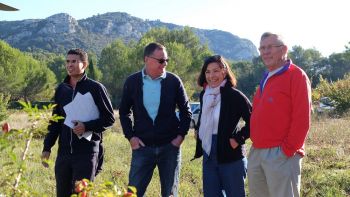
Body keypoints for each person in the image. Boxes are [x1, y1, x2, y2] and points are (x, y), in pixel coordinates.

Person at [119, 42, 192, 197]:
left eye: (166, 60)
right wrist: (131, 137)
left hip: (170, 148)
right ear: (147, 59)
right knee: (133, 193)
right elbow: (124, 112)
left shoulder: (174, 81)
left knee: (170, 194)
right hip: (142, 148)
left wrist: (180, 137)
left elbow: (186, 111)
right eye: (160, 60)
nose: (164, 64)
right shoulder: (132, 82)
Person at [41, 48, 115, 197]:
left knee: (81, 195)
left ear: (85, 64)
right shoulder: (61, 90)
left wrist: (86, 126)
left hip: (86, 154)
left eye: (74, 61)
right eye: (67, 61)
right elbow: (55, 121)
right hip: (64, 154)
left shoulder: (96, 88)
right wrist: (47, 147)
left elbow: (109, 119)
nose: (70, 65)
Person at [248, 32, 312, 197]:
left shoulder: (296, 75)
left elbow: (302, 119)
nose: (265, 52)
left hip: (281, 154)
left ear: (284, 49)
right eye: (262, 48)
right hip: (257, 152)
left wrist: (287, 150)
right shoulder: (266, 77)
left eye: (270, 47)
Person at [192, 55, 252, 197]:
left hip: (230, 154)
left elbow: (254, 121)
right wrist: (198, 130)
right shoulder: (204, 95)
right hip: (208, 153)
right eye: (208, 72)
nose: (211, 76)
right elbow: (204, 117)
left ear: (224, 71)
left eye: (216, 71)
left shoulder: (234, 95)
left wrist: (238, 139)